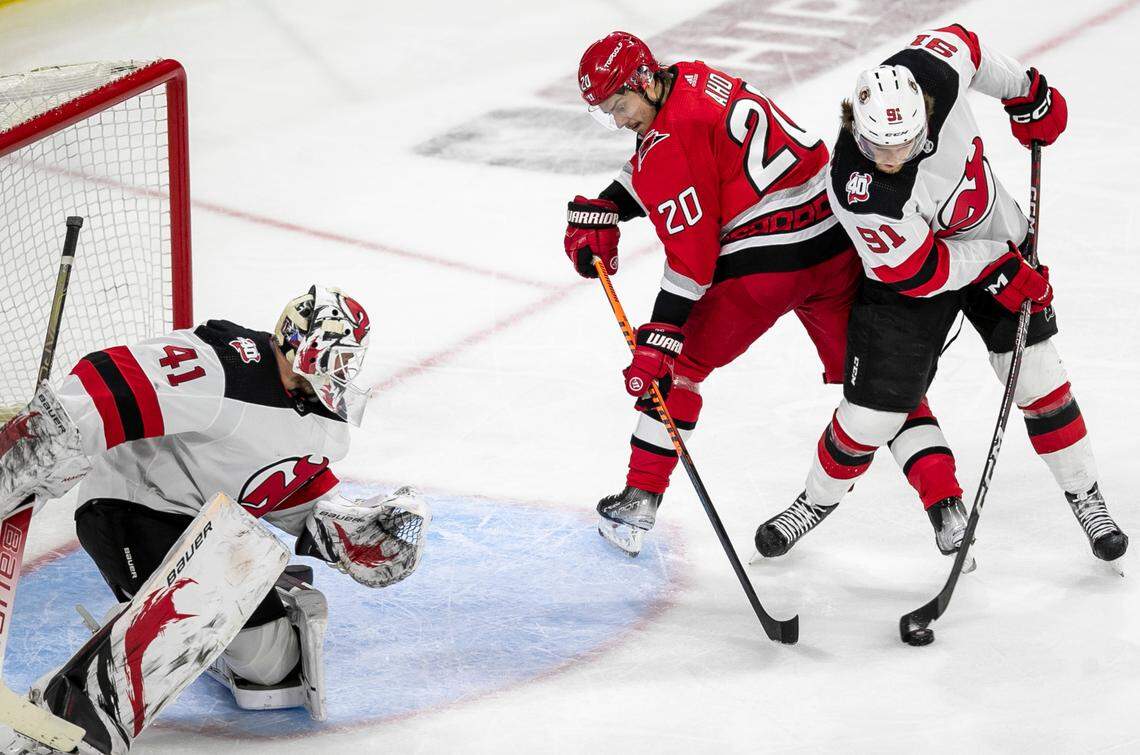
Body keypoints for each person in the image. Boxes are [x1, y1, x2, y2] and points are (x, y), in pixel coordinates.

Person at [565, 31, 968, 558]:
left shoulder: (669, 138)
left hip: (767, 264)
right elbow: (673, 162)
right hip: (834, 239)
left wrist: (662, 334)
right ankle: (947, 507)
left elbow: (692, 259)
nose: (617, 120)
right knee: (879, 384)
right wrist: (608, 206)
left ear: (643, 80)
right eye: (607, 112)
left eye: (619, 105)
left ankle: (640, 499)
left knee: (676, 369)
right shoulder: (696, 79)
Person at [0, 285, 431, 754]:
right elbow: (112, 379)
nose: (343, 372)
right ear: (299, 343)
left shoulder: (323, 419)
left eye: (350, 360)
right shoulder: (227, 366)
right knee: (196, 600)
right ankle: (72, 719)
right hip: (130, 508)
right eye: (336, 355)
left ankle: (180, 622)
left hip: (211, 533)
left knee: (273, 670)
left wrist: (348, 532)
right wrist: (38, 443)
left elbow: (282, 486)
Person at [762, 24, 1126, 562]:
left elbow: (969, 45)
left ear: (925, 119)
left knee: (1038, 374)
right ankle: (813, 502)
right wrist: (1002, 267)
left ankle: (1086, 496)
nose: (889, 158)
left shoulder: (932, 72)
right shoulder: (861, 189)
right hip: (913, 278)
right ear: (856, 128)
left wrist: (1028, 92)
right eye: (876, 147)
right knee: (870, 415)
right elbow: (921, 271)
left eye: (905, 144)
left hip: (992, 234)